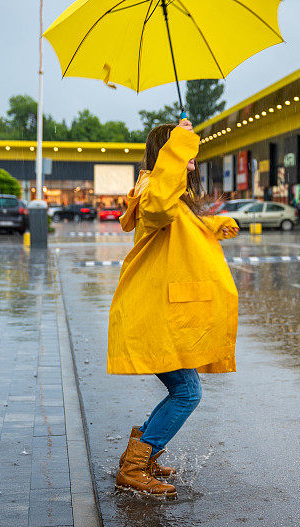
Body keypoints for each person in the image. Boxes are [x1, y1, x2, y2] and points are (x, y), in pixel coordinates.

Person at [108, 119, 240, 499]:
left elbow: (176, 224)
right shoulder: (156, 190)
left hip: (159, 314)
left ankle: (140, 459)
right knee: (187, 392)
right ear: (170, 154)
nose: (193, 161)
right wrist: (181, 143)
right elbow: (161, 209)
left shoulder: (161, 192)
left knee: (183, 388)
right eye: (186, 153)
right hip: (157, 316)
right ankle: (135, 467)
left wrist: (214, 225)